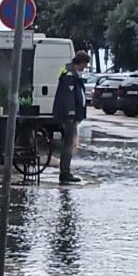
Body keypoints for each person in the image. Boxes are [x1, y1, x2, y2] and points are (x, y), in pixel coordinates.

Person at [53, 51, 90, 185]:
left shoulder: (72, 74)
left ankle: (65, 171)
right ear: (80, 62)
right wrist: (71, 113)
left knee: (69, 143)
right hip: (70, 117)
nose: (84, 68)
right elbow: (68, 97)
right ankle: (65, 173)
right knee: (69, 144)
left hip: (72, 116)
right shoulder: (69, 75)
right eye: (84, 65)